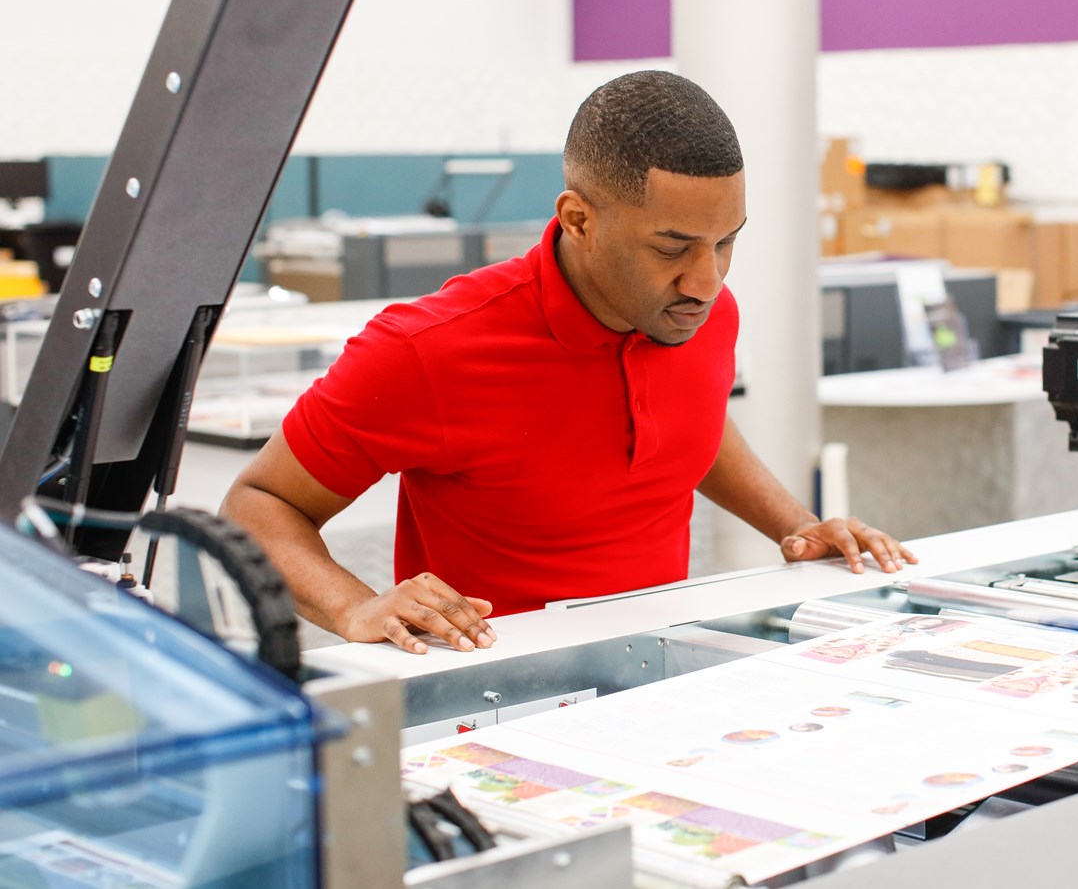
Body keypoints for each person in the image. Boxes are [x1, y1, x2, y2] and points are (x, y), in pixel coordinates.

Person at [223, 71, 915, 655]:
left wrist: (796, 526)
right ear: (579, 220)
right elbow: (258, 504)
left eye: (725, 242)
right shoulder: (429, 349)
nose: (706, 281)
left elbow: (689, 425)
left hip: (659, 673)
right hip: (491, 703)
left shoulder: (697, 316)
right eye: (673, 247)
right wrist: (351, 608)